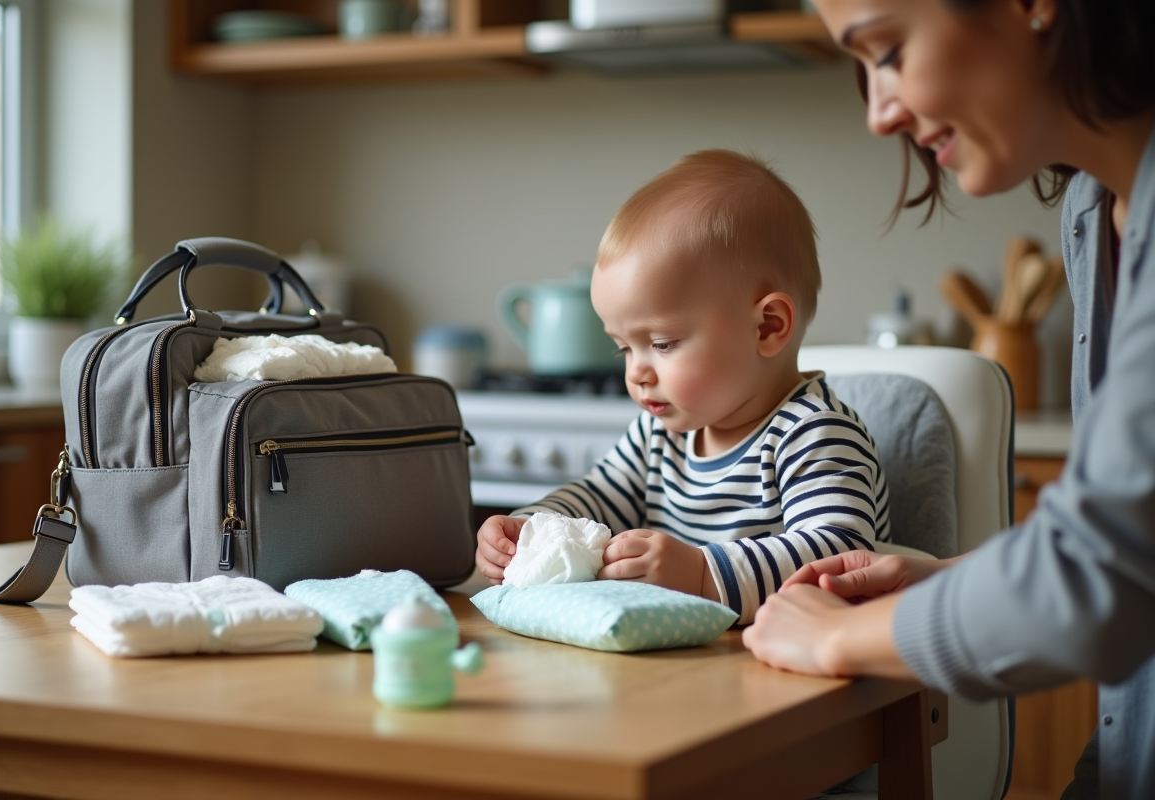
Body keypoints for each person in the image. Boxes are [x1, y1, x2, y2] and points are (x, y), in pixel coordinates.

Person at [742, 1, 1155, 798]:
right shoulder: (1091, 214)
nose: (878, 112)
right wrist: (942, 579)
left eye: (888, 50)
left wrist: (843, 638)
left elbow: (1099, 583)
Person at [475, 149, 891, 625]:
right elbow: (598, 494)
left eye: (662, 343)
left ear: (767, 327)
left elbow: (842, 556)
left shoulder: (815, 435)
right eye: (623, 349)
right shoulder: (659, 434)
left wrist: (700, 574)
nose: (636, 372)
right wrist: (532, 528)